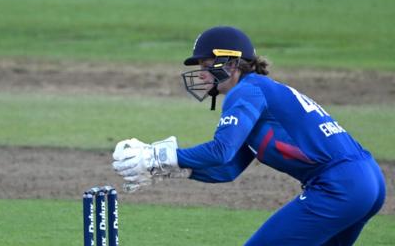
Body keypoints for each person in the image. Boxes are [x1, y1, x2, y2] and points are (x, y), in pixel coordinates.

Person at [112, 26, 386, 245]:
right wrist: (173, 170)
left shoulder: (246, 92)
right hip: (367, 182)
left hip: (338, 186)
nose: (201, 74)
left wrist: (158, 157)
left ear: (230, 63)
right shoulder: (260, 91)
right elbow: (227, 169)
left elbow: (220, 150)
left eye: (206, 64)